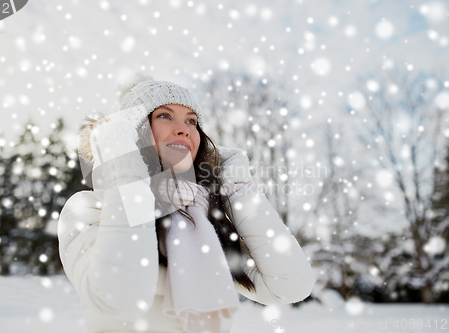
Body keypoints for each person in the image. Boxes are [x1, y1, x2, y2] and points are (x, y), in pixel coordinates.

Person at [57, 72, 316, 333]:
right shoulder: (89, 207)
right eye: (165, 116)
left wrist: (239, 189)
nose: (184, 129)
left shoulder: (206, 222)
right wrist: (125, 169)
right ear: (134, 132)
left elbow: (290, 285)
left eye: (192, 121)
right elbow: (120, 296)